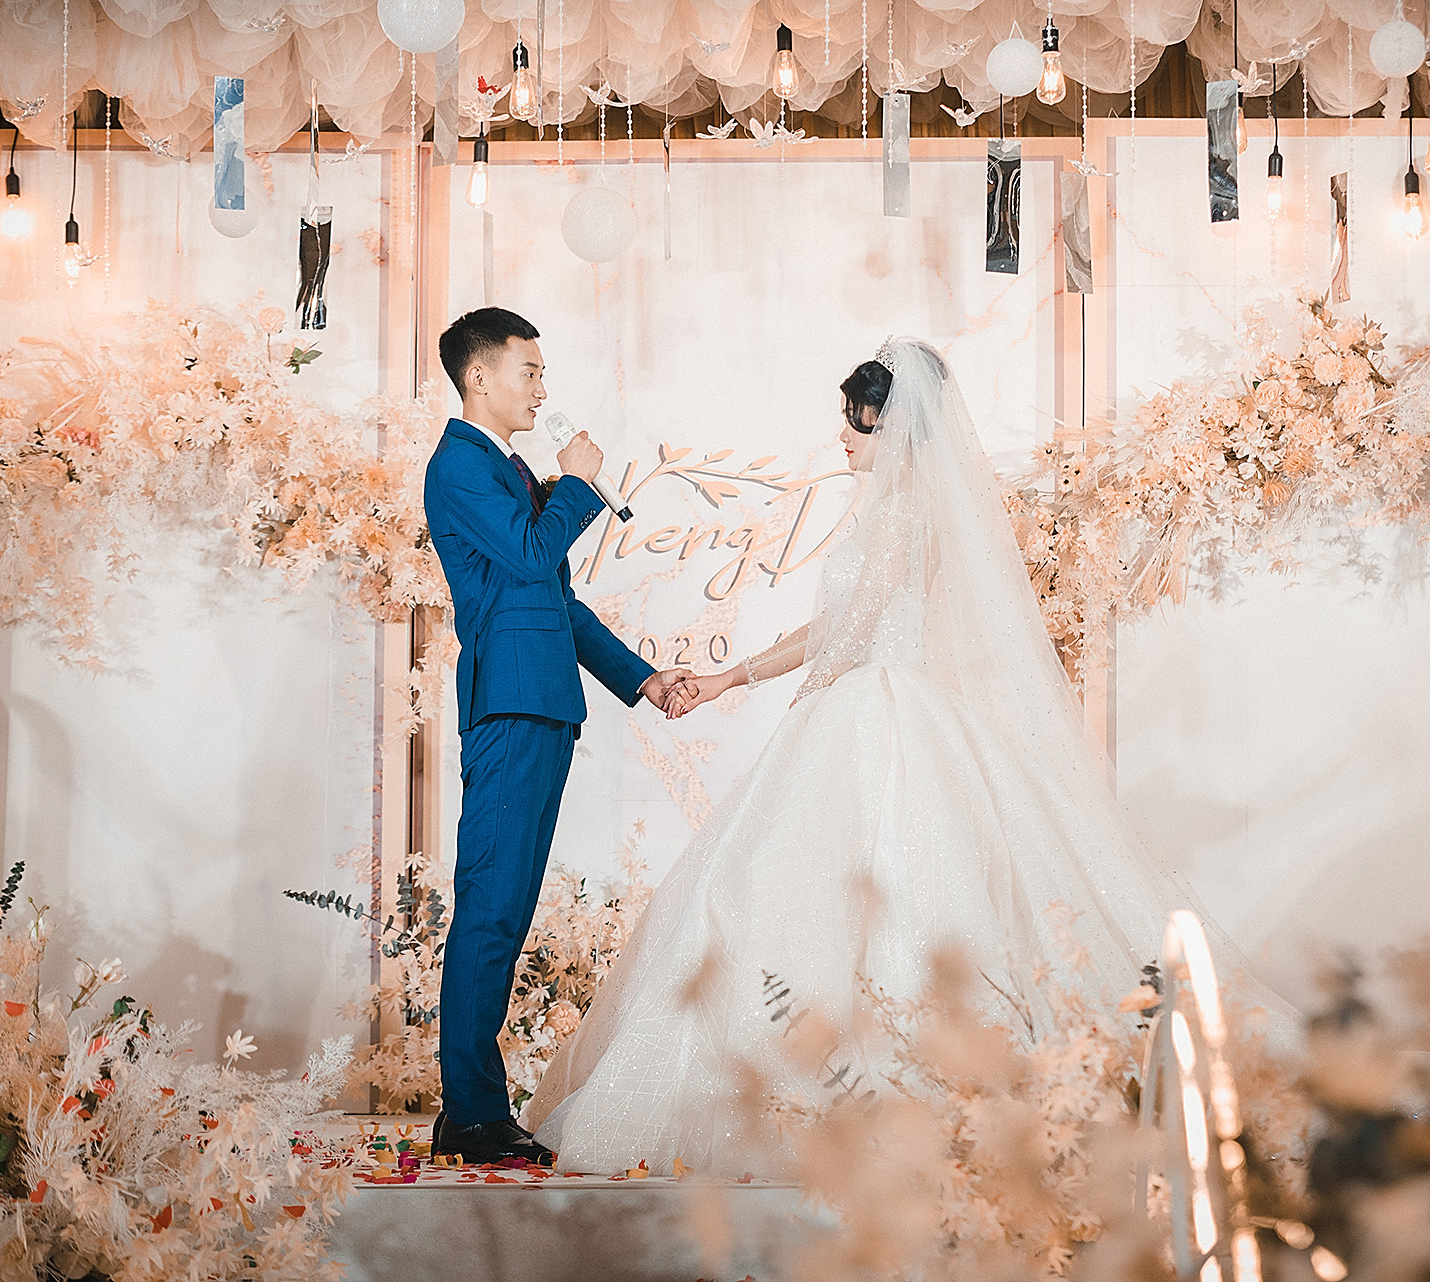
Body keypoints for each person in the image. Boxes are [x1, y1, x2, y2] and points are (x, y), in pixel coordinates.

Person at [522, 338, 1213, 1176]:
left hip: (879, 707)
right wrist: (729, 678)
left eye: (855, 423)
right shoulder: (888, 511)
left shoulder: (907, 513)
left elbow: (853, 630)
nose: (842, 437)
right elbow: (831, 629)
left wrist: (805, 698)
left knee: (883, 891)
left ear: (893, 424)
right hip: (864, 698)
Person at [423, 307, 699, 1166]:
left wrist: (643, 679)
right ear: (479, 377)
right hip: (510, 708)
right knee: (491, 907)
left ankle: (474, 1111)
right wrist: (575, 484)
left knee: (505, 907)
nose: (543, 389)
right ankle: (471, 1114)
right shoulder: (459, 464)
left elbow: (555, 604)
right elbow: (529, 555)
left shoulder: (505, 470)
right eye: (530, 371)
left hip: (541, 705)